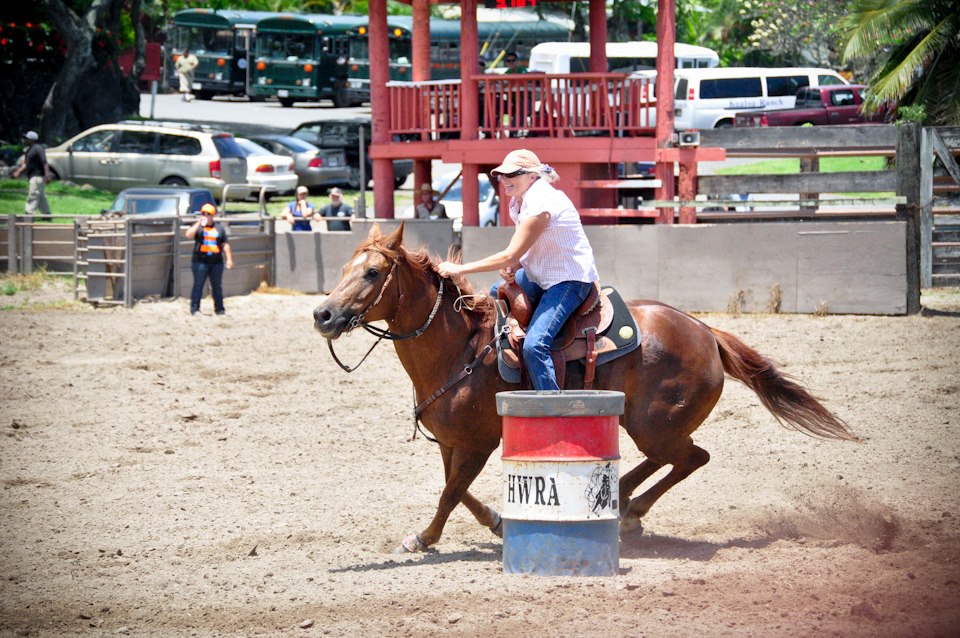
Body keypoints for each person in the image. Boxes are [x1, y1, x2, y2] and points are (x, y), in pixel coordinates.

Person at [437, 149, 598, 392]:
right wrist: (515, 266)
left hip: (568, 280)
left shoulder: (542, 203)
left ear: (532, 176)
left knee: (535, 345)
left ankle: (552, 405)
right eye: (502, 175)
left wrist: (460, 269)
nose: (504, 179)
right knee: (494, 293)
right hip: (541, 274)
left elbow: (509, 254)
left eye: (512, 174)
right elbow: (522, 252)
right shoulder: (519, 202)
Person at [185, 203, 233, 316]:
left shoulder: (219, 228)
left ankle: (219, 309)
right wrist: (198, 223)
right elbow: (188, 235)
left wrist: (229, 259)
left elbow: (225, 244)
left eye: (208, 214)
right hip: (200, 261)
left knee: (217, 286)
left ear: (213, 216)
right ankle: (195, 309)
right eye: (204, 214)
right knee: (198, 285)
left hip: (216, 262)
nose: (206, 216)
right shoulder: (198, 227)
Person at [12, 131, 52, 221]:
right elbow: (26, 164)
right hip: (32, 177)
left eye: (26, 138)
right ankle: (47, 215)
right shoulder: (29, 150)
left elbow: (44, 162)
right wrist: (18, 172)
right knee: (40, 197)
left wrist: (47, 175)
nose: (24, 140)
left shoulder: (38, 148)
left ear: (31, 140)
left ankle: (29, 215)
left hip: (37, 177)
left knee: (33, 195)